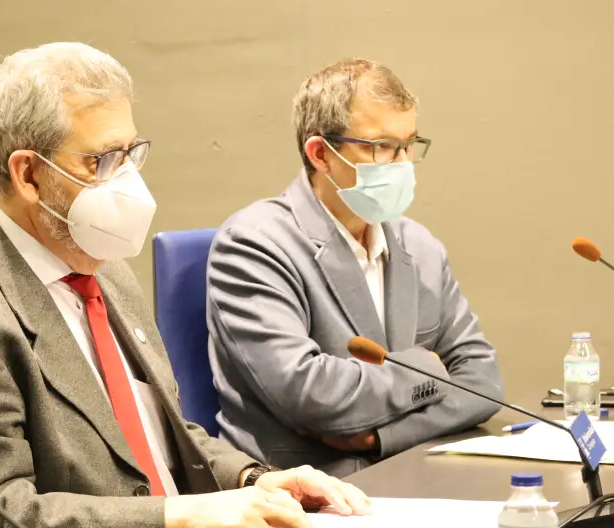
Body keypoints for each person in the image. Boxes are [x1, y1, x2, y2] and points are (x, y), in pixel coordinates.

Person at [0, 43, 370, 528]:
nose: (129, 179)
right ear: (28, 174)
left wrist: (255, 480)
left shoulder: (103, 270)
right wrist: (176, 517)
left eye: (132, 153)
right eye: (103, 160)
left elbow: (157, 437)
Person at [206, 58, 502, 477]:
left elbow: (484, 381)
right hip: (301, 491)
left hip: (410, 477)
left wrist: (382, 437)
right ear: (320, 154)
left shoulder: (420, 246)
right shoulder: (253, 244)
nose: (401, 163)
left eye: (409, 145)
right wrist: (431, 369)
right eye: (381, 147)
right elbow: (311, 394)